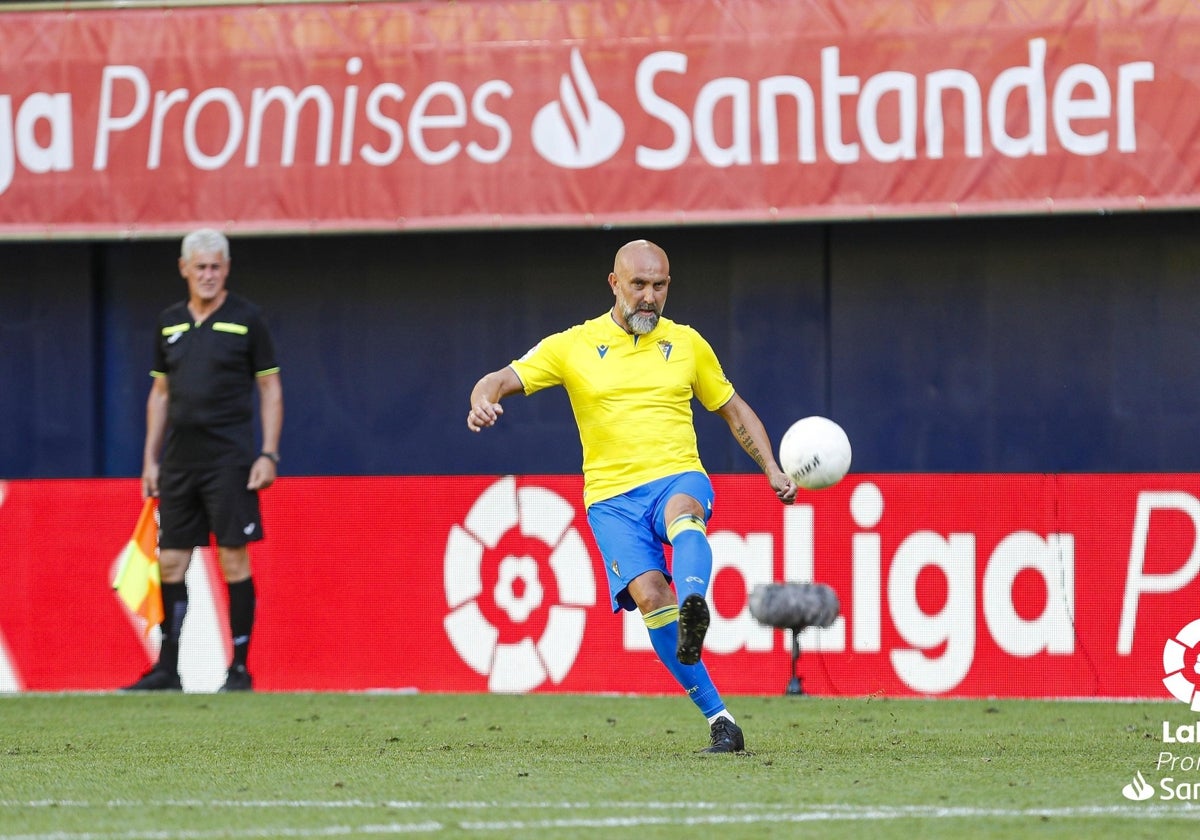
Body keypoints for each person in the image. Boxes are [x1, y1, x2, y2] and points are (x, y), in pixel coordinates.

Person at [467, 239, 797, 752]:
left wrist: (772, 468)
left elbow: (734, 410)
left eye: (659, 286)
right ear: (614, 283)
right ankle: (721, 721)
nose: (649, 297)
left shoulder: (687, 343)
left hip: (676, 475)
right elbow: (498, 379)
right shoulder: (572, 345)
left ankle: (694, 600)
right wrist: (482, 401)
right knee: (649, 598)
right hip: (611, 500)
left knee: (684, 515)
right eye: (638, 285)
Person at [122, 228, 283, 693]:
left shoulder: (247, 318)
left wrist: (268, 453)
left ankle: (240, 668)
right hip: (177, 463)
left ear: (226, 269)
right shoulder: (169, 322)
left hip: (230, 461)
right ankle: (167, 669)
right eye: (201, 267)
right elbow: (160, 393)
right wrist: (149, 460)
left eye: (216, 267)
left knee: (233, 558)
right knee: (170, 562)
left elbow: (270, 388)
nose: (209, 275)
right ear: (184, 269)